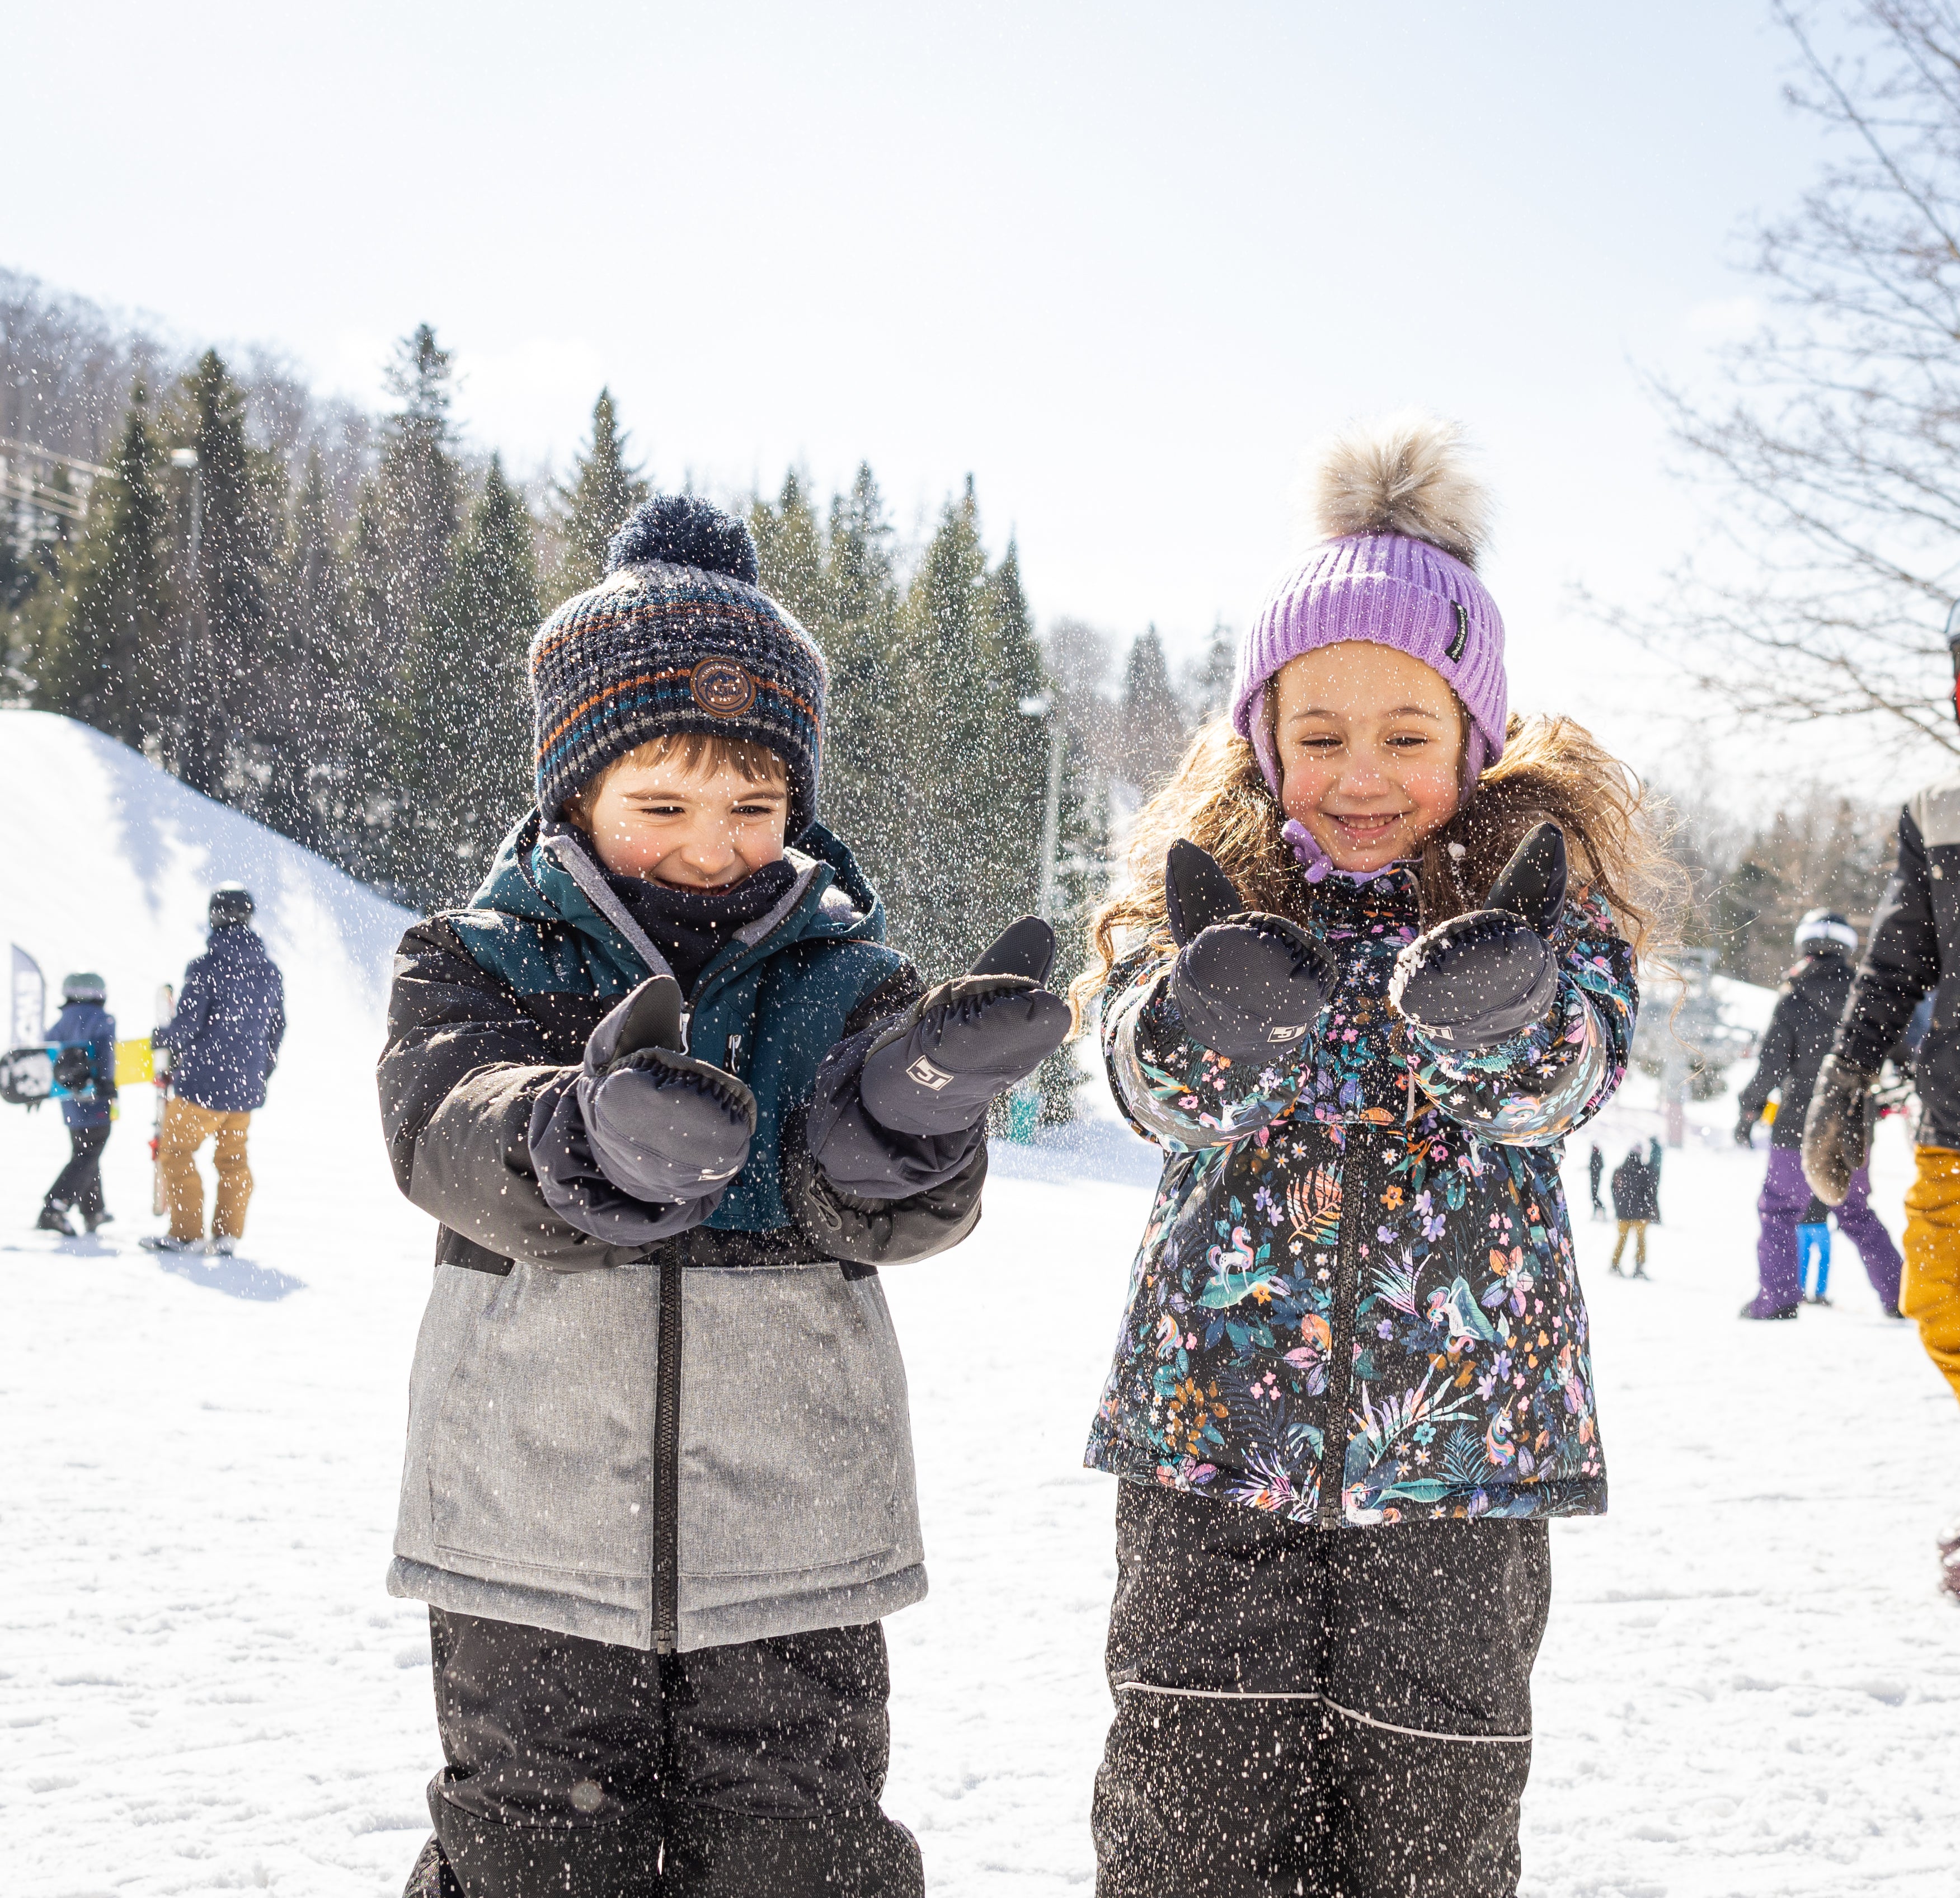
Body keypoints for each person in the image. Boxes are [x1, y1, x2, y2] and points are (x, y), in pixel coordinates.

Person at [380, 495, 1068, 1898]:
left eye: (755, 806)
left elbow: (878, 1208)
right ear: (570, 787)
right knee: (531, 1847)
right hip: (532, 1522)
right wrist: (579, 1140)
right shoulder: (474, 957)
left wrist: (911, 1113)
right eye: (664, 805)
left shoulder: (846, 980)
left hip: (794, 1525)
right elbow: (441, 1131)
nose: (713, 844)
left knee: (798, 1850)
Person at [1071, 416, 1647, 1895]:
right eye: (1316, 737)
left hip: (1457, 1471)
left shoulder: (1540, 907)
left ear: (1472, 732)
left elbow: (1564, 1084)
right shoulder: (1216, 894)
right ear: (1263, 738)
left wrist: (1499, 1014)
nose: (1359, 774)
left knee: (1429, 1830)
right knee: (1187, 1814)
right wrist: (1209, 1022)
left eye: (1405, 735)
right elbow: (1145, 1085)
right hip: (1213, 1457)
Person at [1804, 640, 1960, 1597]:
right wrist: (1845, 1074)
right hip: (1953, 1120)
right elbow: (1898, 962)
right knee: (1942, 1305)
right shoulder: (1937, 811)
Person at [1737, 910, 1902, 1321]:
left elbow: (1770, 1065)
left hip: (1797, 1126)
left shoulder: (1793, 999)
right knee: (1857, 1213)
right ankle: (1900, 1295)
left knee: (1779, 1209)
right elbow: (1897, 1054)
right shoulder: (1863, 998)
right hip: (1850, 1125)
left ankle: (1778, 1297)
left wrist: (1748, 1110)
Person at [142, 884, 285, 1256]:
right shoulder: (270, 972)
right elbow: (276, 1029)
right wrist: (259, 1070)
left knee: (175, 1152)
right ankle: (226, 1235)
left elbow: (189, 1025)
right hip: (244, 1088)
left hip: (202, 1086)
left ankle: (187, 1234)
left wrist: (164, 1038)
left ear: (215, 916)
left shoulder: (206, 966)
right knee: (233, 1159)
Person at [35, 971, 116, 1235]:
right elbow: (106, 1051)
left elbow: (48, 1054)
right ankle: (54, 1208)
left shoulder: (61, 1022)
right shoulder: (103, 1020)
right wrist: (106, 1082)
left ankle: (94, 1211)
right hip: (96, 1098)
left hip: (69, 1101)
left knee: (85, 1152)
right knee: (88, 1154)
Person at [1608, 1145, 1657, 1278]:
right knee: (1641, 1241)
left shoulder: (1619, 1170)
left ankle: (1614, 1265)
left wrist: (1617, 1204)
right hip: (1641, 1213)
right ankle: (1639, 1267)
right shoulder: (1644, 1171)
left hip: (1623, 1213)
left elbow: (1613, 1189)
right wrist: (1651, 1208)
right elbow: (1650, 1193)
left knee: (1621, 1240)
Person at [1797, 1194, 1832, 1304]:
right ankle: (1819, 1294)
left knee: (1802, 1259)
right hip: (1819, 1223)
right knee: (1823, 1259)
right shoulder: (1823, 1178)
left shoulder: (1801, 1179)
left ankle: (1801, 1293)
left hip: (1804, 1223)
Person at [1588, 1140, 1605, 1220]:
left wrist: (1594, 1170)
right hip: (1594, 1177)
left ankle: (1601, 1210)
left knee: (1594, 1195)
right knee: (1594, 1195)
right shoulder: (1595, 1154)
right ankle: (1597, 1212)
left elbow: (1600, 1166)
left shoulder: (1597, 1154)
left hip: (1596, 1177)